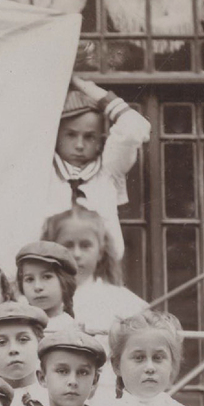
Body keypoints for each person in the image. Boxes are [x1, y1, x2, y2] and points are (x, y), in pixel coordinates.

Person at [41, 77, 149, 273]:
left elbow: (133, 128)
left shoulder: (108, 170)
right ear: (56, 136)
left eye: (89, 137)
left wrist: (86, 87)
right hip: (50, 273)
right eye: (71, 135)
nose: (80, 145)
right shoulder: (43, 172)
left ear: (100, 140)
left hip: (101, 272)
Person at [43, 206, 146, 337]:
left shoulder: (126, 304)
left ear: (100, 252)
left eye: (85, 245)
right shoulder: (34, 299)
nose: (77, 254)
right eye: (68, 245)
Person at [13, 241, 76, 324]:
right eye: (30, 279)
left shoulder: (73, 329)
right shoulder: (17, 327)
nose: (37, 287)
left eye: (47, 277)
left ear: (65, 282)